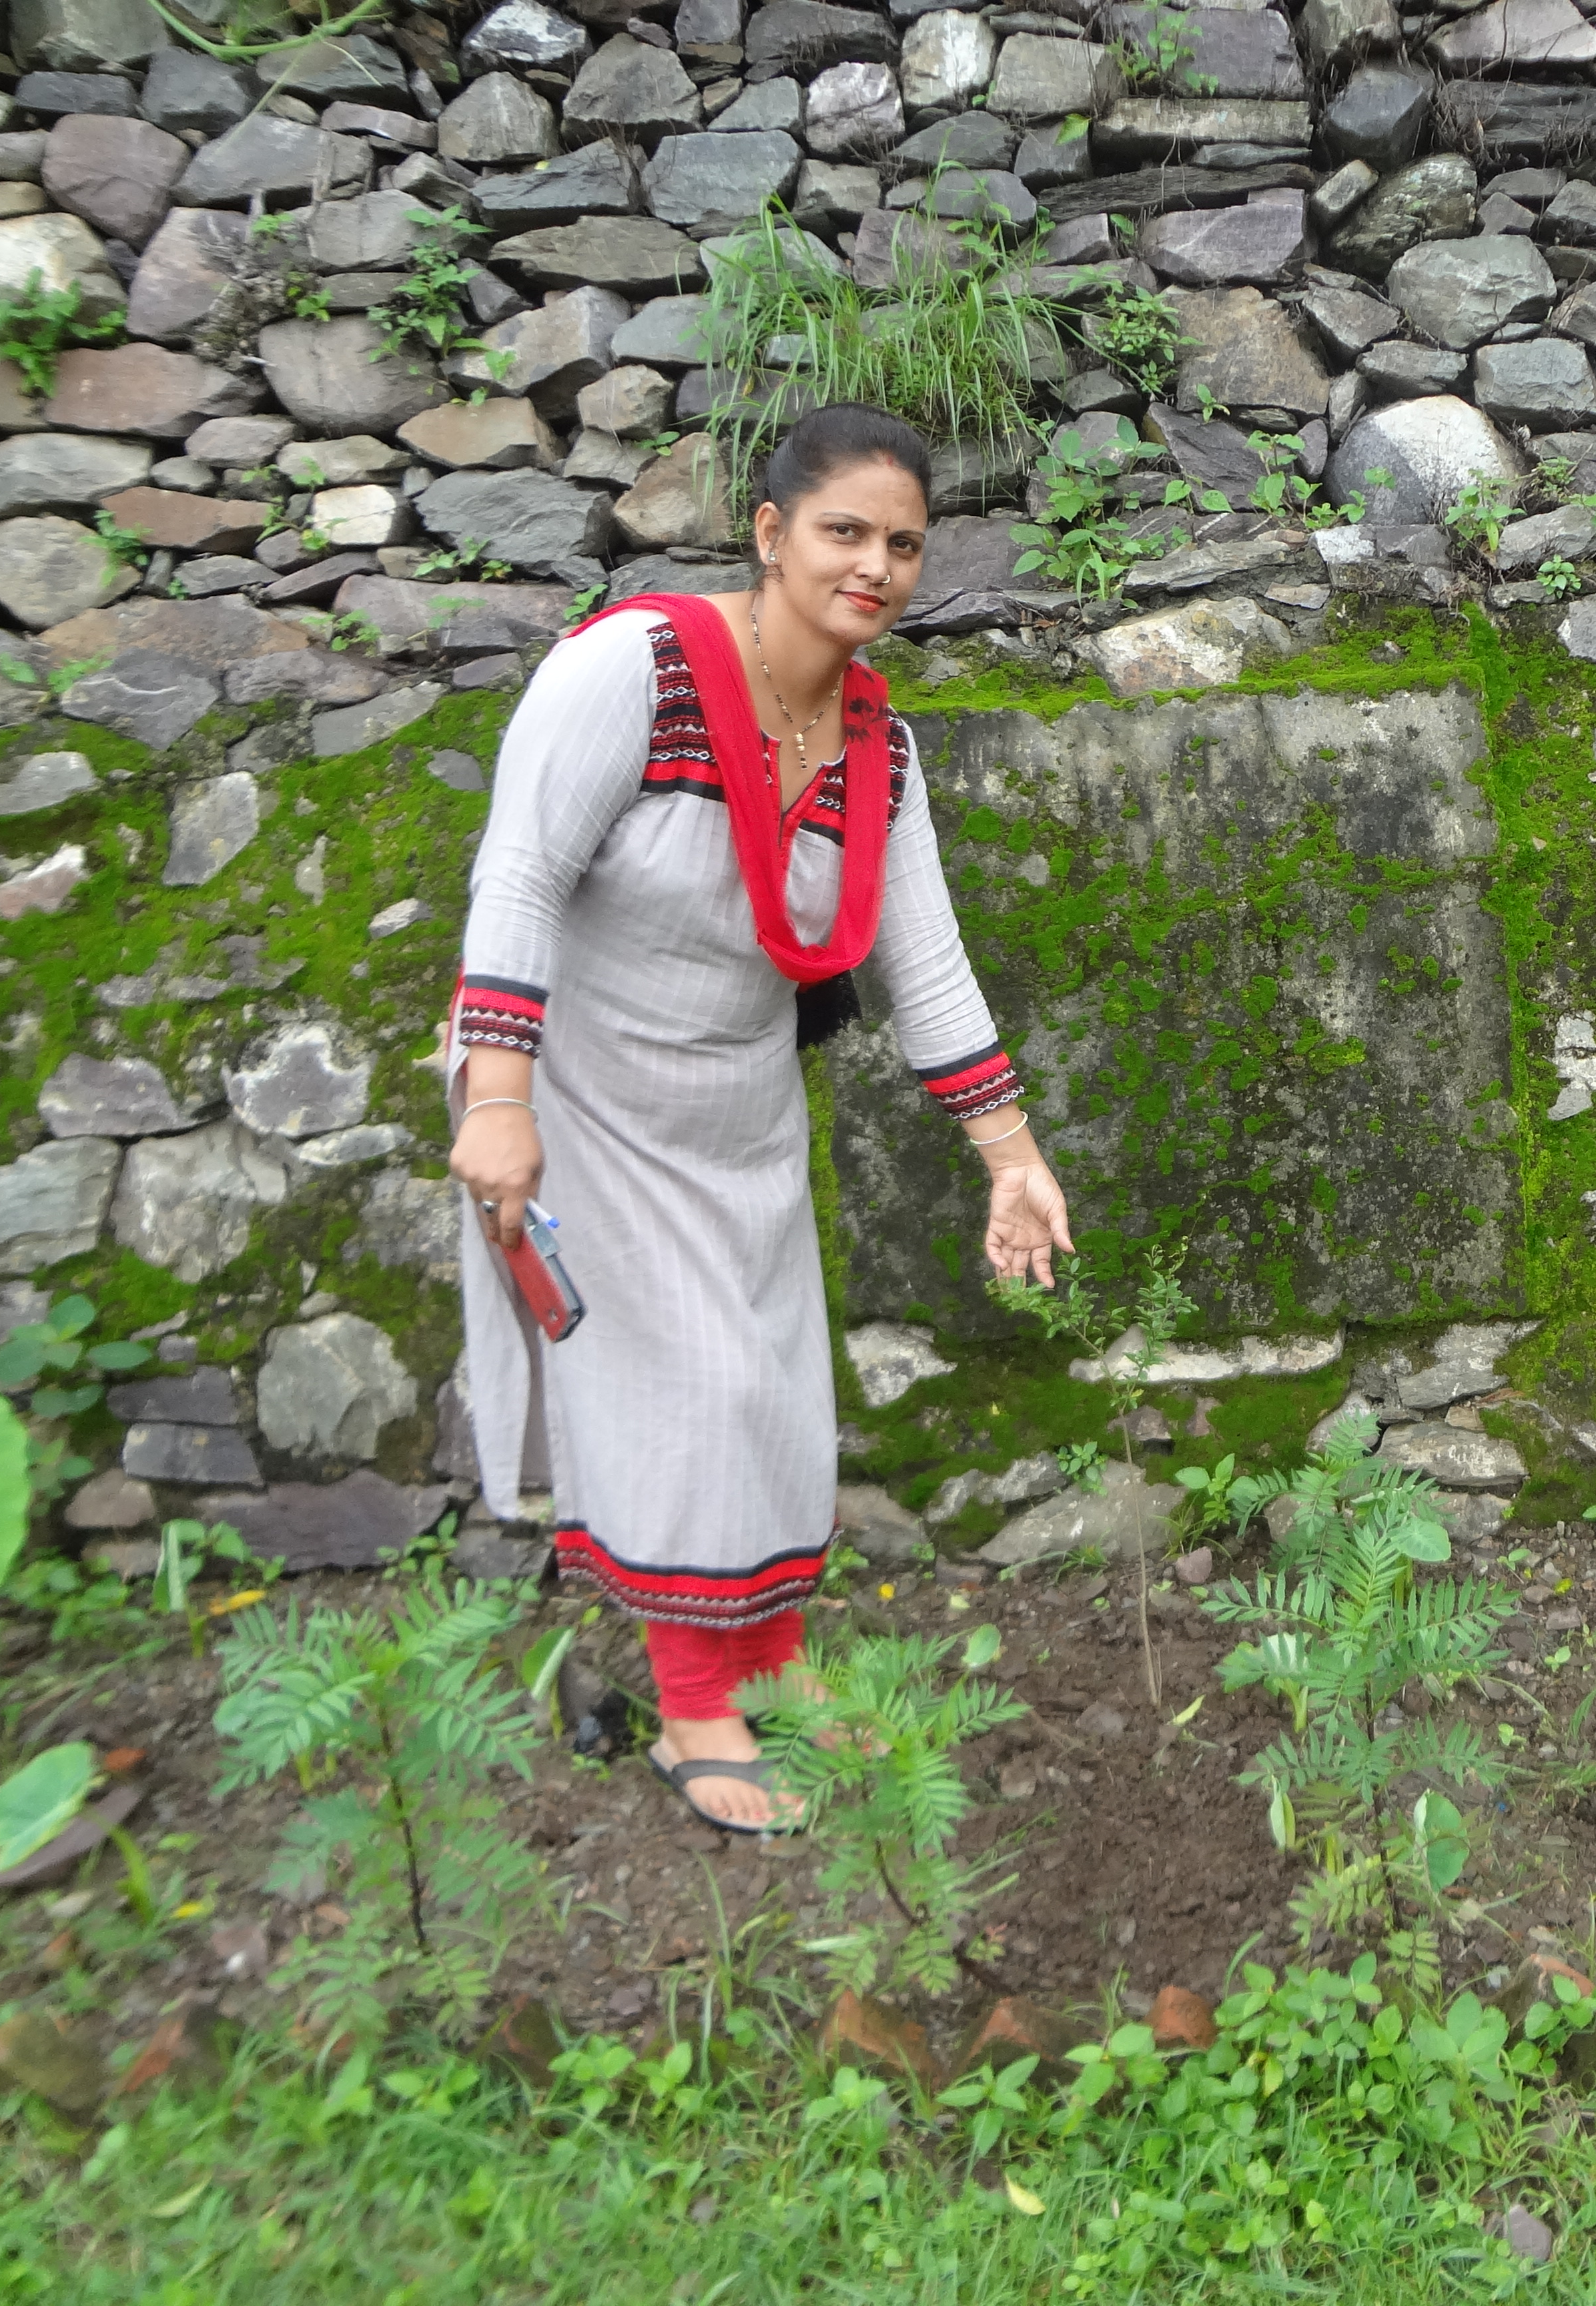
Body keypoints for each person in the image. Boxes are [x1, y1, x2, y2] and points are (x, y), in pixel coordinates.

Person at [445, 404, 1072, 1834]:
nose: (878, 566)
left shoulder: (874, 743)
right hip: (583, 1096)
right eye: (846, 531)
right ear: (772, 532)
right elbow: (524, 871)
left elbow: (924, 956)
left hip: (737, 1104)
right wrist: (498, 1097)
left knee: (778, 1395)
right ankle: (692, 1709)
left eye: (905, 544)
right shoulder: (636, 670)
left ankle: (775, 1661)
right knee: (688, 1396)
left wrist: (1012, 1159)